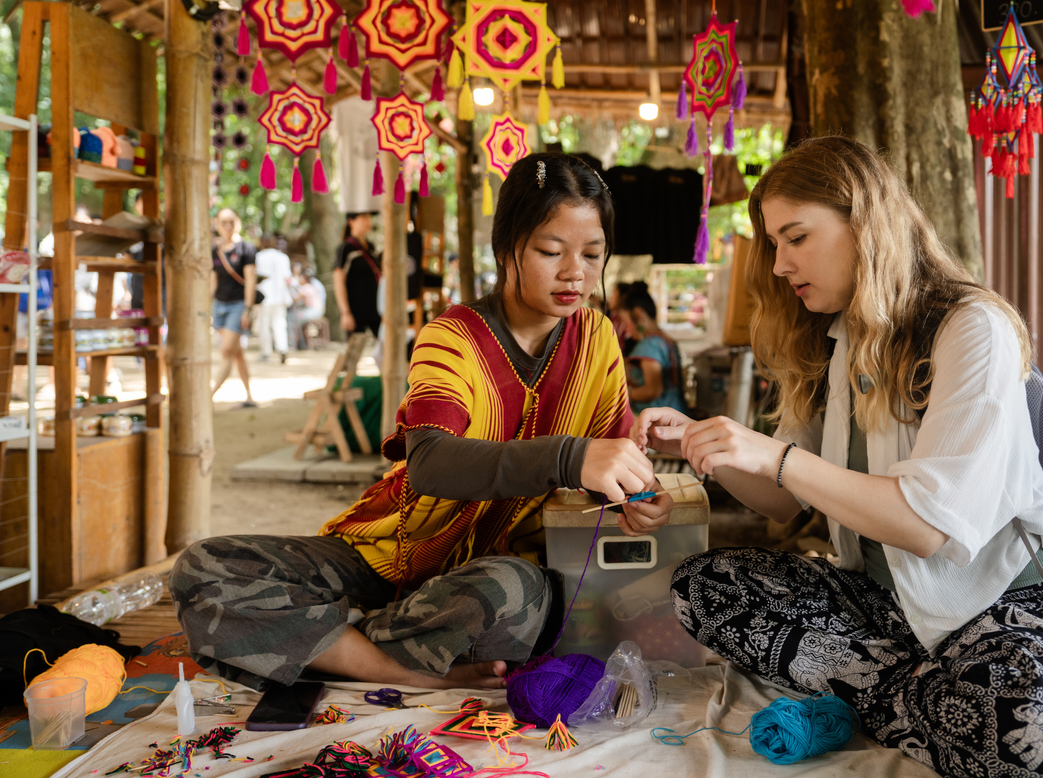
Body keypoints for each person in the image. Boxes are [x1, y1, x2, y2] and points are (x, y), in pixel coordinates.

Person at [632, 137, 1043, 778]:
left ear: (864, 225)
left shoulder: (972, 329)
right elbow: (784, 500)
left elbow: (927, 527)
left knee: (1033, 732)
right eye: (775, 244)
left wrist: (776, 454)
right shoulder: (834, 338)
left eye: (797, 237)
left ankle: (895, 695)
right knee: (704, 588)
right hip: (883, 604)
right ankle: (932, 698)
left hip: (1002, 604)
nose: (781, 264)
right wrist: (709, 447)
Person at [170, 153, 675, 692]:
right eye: (552, 251)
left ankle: (333, 639)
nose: (576, 272)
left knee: (511, 594)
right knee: (205, 568)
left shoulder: (596, 339)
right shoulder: (451, 336)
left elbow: (611, 460)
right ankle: (394, 662)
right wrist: (569, 458)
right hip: (393, 551)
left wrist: (639, 497)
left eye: (593, 254)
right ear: (507, 250)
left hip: (497, 575)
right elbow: (432, 463)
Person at [210, 209, 257, 407]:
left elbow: (250, 280)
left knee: (227, 350)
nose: (227, 226)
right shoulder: (215, 251)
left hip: (238, 306)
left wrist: (248, 309)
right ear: (217, 224)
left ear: (237, 222)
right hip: (219, 306)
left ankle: (207, 396)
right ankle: (249, 397)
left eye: (231, 221)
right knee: (236, 353)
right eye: (223, 222)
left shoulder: (246, 248)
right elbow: (212, 283)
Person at [623, 282, 687, 415]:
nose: (626, 329)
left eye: (626, 322)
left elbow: (653, 390)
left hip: (660, 420)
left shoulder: (648, 345)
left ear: (638, 314)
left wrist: (625, 394)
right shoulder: (665, 340)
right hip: (676, 413)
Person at [334, 212, 381, 336]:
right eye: (364, 217)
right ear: (351, 221)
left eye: (370, 217)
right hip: (356, 311)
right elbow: (338, 281)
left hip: (376, 309)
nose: (368, 221)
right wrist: (345, 312)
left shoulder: (371, 247)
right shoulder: (345, 248)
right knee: (355, 349)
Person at [254, 233, 293, 363]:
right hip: (280, 296)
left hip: (264, 297)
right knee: (279, 324)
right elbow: (287, 279)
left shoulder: (258, 257)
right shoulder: (283, 258)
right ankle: (282, 348)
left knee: (264, 326)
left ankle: (267, 352)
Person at [607, 282, 638, 354]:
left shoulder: (631, 327)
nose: (610, 298)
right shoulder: (614, 318)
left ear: (623, 297)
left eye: (614, 294)